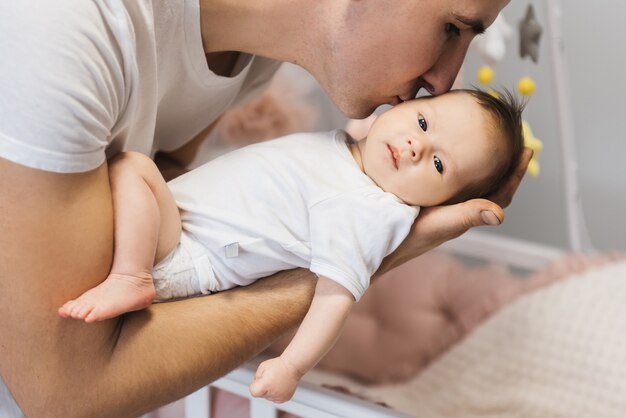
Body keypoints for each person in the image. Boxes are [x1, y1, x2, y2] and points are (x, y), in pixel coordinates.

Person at [0, 0, 528, 416]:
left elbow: (174, 178)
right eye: (454, 28)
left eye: (440, 166)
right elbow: (61, 396)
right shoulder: (64, 30)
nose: (443, 81)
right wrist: (376, 259)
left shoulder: (248, 58)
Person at [58, 88, 524, 402]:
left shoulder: (373, 209)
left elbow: (335, 296)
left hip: (185, 254)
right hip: (175, 226)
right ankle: (127, 271)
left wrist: (292, 366)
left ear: (439, 203)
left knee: (131, 167)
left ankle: (130, 277)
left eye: (440, 165)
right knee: (122, 175)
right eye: (422, 121)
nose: (415, 145)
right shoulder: (351, 153)